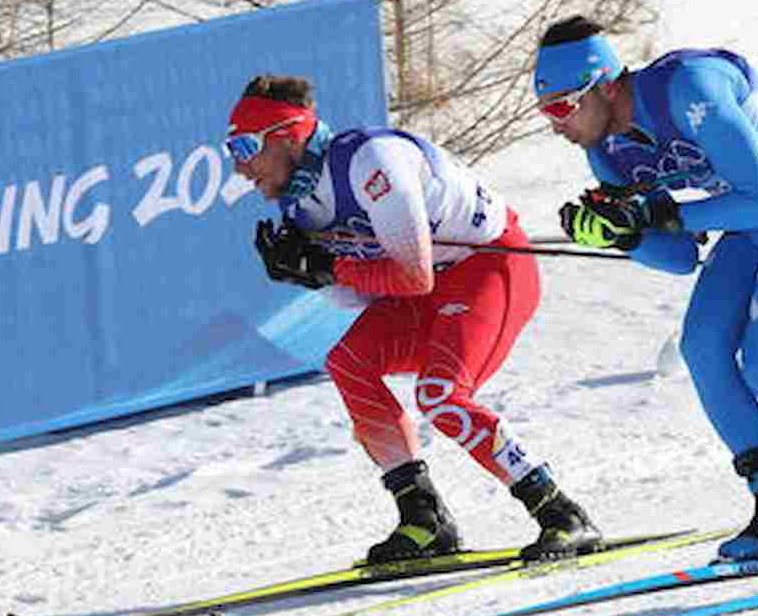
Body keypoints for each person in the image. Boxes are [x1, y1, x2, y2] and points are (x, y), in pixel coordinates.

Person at [533, 16, 758, 577]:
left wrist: (655, 211)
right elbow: (679, 258)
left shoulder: (689, 87)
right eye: (544, 111)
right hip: (748, 225)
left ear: (605, 84)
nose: (554, 124)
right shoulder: (606, 151)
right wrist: (624, 234)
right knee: (702, 347)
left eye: (561, 106)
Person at [226, 74, 602, 563]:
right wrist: (311, 277)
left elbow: (412, 276)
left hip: (490, 265)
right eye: (231, 149)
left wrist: (327, 265)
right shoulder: (300, 205)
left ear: (288, 133)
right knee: (349, 362)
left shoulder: (370, 162)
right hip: (431, 285)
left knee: (440, 394)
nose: (239, 166)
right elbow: (356, 300)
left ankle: (560, 512)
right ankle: (424, 517)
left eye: (245, 145)